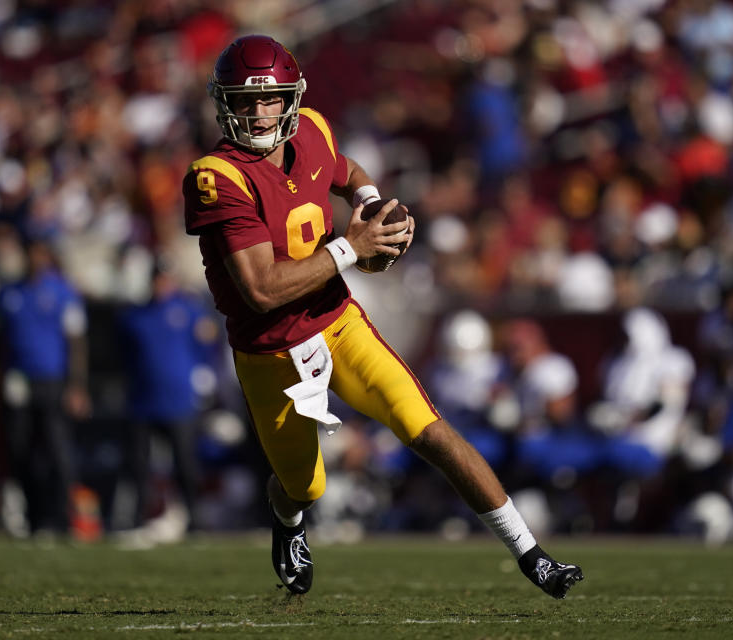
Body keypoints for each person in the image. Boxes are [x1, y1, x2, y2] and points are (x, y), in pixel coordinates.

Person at [182, 35, 583, 597]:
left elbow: (345, 170)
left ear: (291, 99)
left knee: (429, 431)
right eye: (243, 100)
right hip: (270, 351)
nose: (256, 112)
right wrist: (352, 247)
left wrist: (369, 202)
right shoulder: (216, 177)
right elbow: (261, 291)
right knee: (304, 486)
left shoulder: (313, 130)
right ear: (223, 102)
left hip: (337, 321)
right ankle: (289, 524)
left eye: (270, 98)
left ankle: (532, 555)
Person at [0, 236, 90, 537]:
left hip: (52, 381)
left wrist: (77, 385)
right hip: (17, 382)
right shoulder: (9, 293)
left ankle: (62, 518)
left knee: (57, 450)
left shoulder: (62, 292)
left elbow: (76, 342)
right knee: (20, 449)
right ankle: (34, 516)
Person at [117, 255, 221, 535]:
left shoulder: (189, 311)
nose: (161, 284)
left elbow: (207, 346)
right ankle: (139, 515)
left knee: (185, 463)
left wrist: (202, 377)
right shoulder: (134, 317)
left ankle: (194, 517)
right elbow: (125, 357)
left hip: (179, 400)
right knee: (138, 464)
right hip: (143, 400)